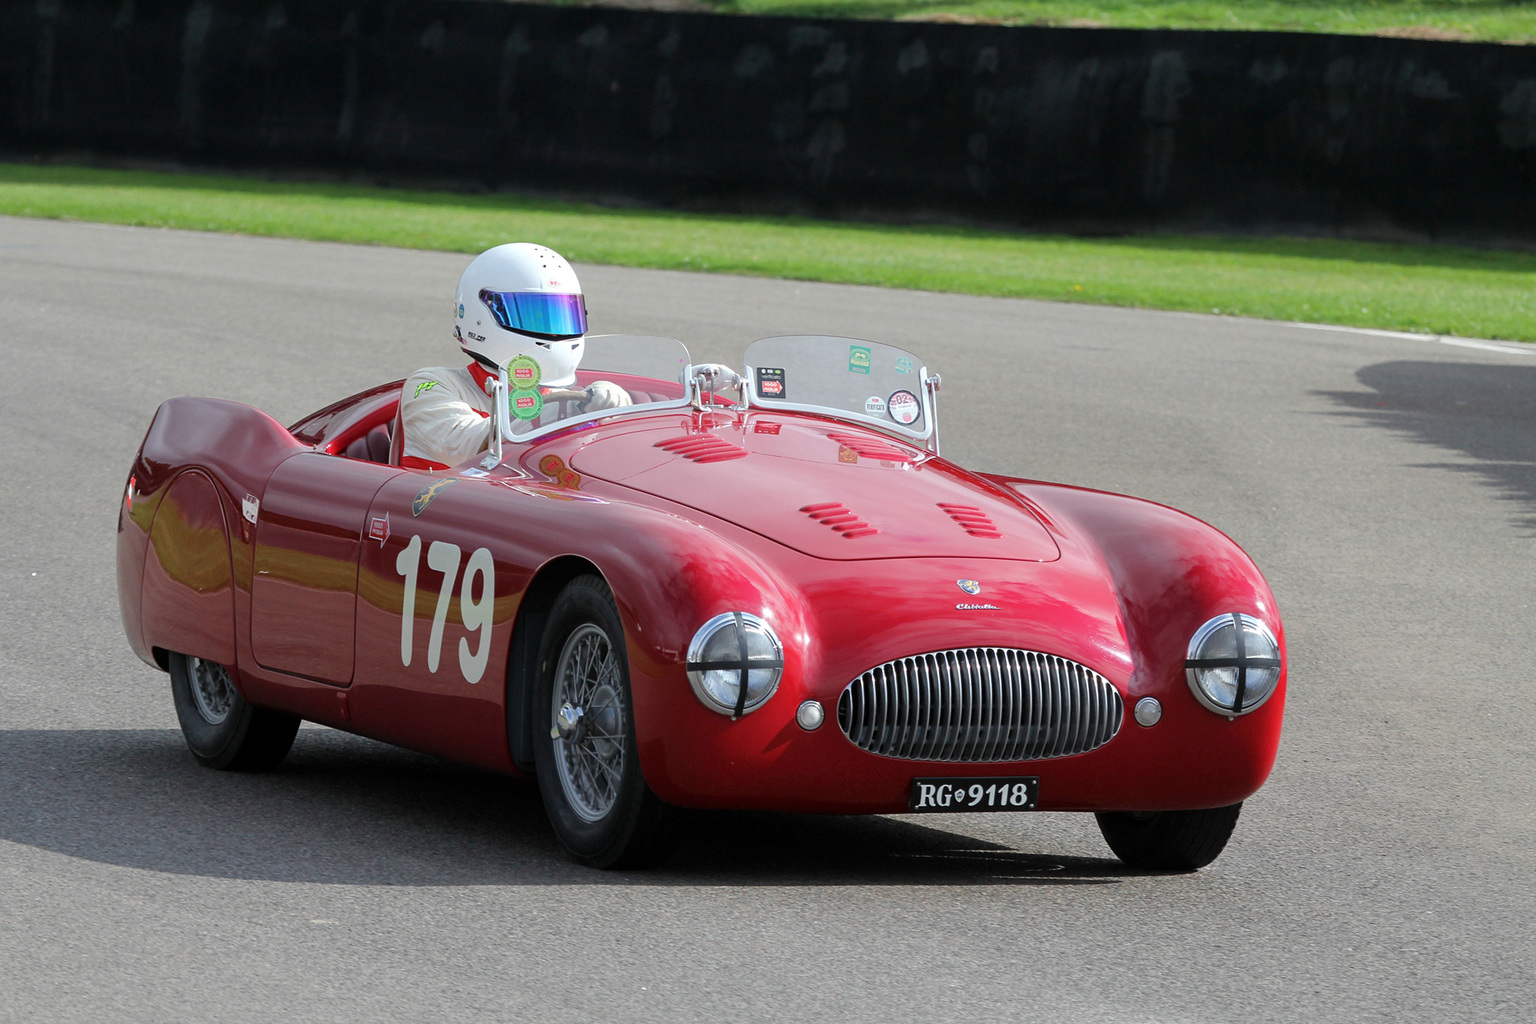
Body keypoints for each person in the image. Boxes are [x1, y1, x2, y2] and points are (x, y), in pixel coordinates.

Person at [399, 243, 632, 470]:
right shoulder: (431, 385)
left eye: (560, 316)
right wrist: (565, 410)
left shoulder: (570, 398)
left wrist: (613, 413)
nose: (552, 331)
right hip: (443, 504)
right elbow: (468, 446)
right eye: (531, 316)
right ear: (480, 315)